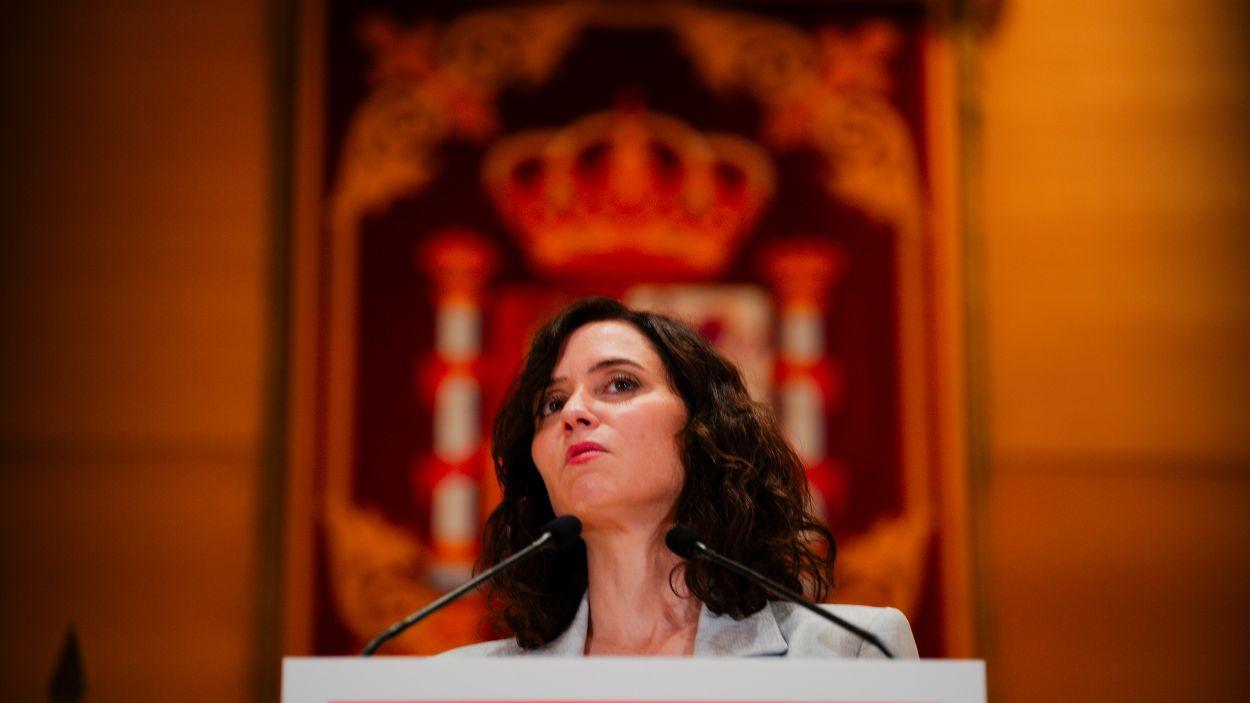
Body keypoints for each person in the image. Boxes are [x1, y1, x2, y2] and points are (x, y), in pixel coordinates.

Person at [442, 296, 917, 657]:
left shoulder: (848, 653)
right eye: (553, 402)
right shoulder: (464, 687)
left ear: (703, 430)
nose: (574, 412)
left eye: (620, 383)